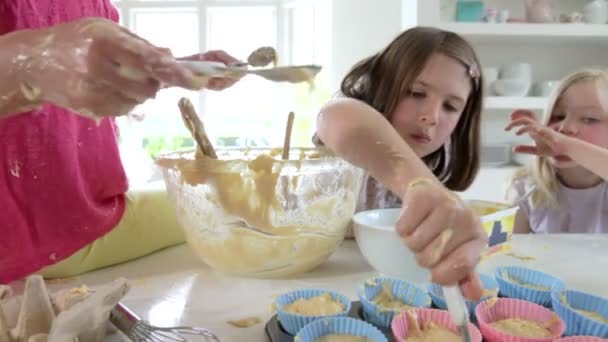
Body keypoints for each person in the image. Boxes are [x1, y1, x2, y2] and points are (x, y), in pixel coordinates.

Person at [0, 1, 241, 283]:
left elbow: (100, 76)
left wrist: (177, 70)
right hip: (17, 243)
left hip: (92, 219)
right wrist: (31, 62)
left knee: (223, 202)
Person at [314, 26, 488, 299]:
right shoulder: (345, 148)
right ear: (381, 84)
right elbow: (337, 116)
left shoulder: (431, 175)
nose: (431, 116)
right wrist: (421, 186)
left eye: (450, 107)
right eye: (416, 93)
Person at [505, 68, 608, 234]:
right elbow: (502, 250)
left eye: (589, 119)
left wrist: (568, 146)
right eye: (558, 116)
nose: (564, 128)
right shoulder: (526, 187)